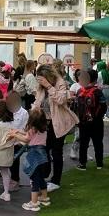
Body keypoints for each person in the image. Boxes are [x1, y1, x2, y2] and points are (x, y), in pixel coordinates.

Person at [33, 64, 78, 193]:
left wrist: (49, 86)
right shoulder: (41, 87)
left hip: (58, 122)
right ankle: (45, 173)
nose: (40, 81)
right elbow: (37, 101)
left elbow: (61, 100)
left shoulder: (60, 83)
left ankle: (56, 180)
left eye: (42, 78)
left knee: (56, 151)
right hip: (44, 122)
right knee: (44, 149)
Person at [8, 108, 49, 212]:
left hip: (34, 155)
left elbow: (26, 139)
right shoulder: (43, 129)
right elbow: (29, 134)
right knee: (40, 178)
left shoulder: (32, 129)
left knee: (34, 179)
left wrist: (15, 135)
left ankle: (34, 203)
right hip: (43, 156)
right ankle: (44, 198)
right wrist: (19, 131)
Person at [76, 69, 106, 171]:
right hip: (96, 122)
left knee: (83, 143)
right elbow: (103, 106)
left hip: (83, 122)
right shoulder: (98, 92)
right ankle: (99, 163)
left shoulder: (80, 91)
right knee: (98, 143)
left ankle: (82, 163)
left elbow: (77, 107)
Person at [7, 91, 29, 191]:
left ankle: (15, 180)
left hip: (18, 141)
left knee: (15, 161)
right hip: (7, 140)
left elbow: (25, 129)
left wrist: (21, 142)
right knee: (8, 161)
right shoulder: (7, 110)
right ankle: (10, 179)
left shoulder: (24, 113)